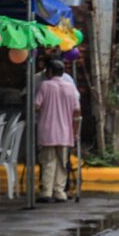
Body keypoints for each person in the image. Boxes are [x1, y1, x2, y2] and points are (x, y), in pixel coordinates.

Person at [35, 59, 81, 203]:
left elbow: (36, 105)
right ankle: (59, 191)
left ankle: (46, 191)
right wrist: (75, 132)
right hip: (65, 131)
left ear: (49, 71)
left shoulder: (45, 85)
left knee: (48, 161)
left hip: (47, 130)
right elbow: (77, 112)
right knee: (62, 162)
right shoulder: (70, 88)